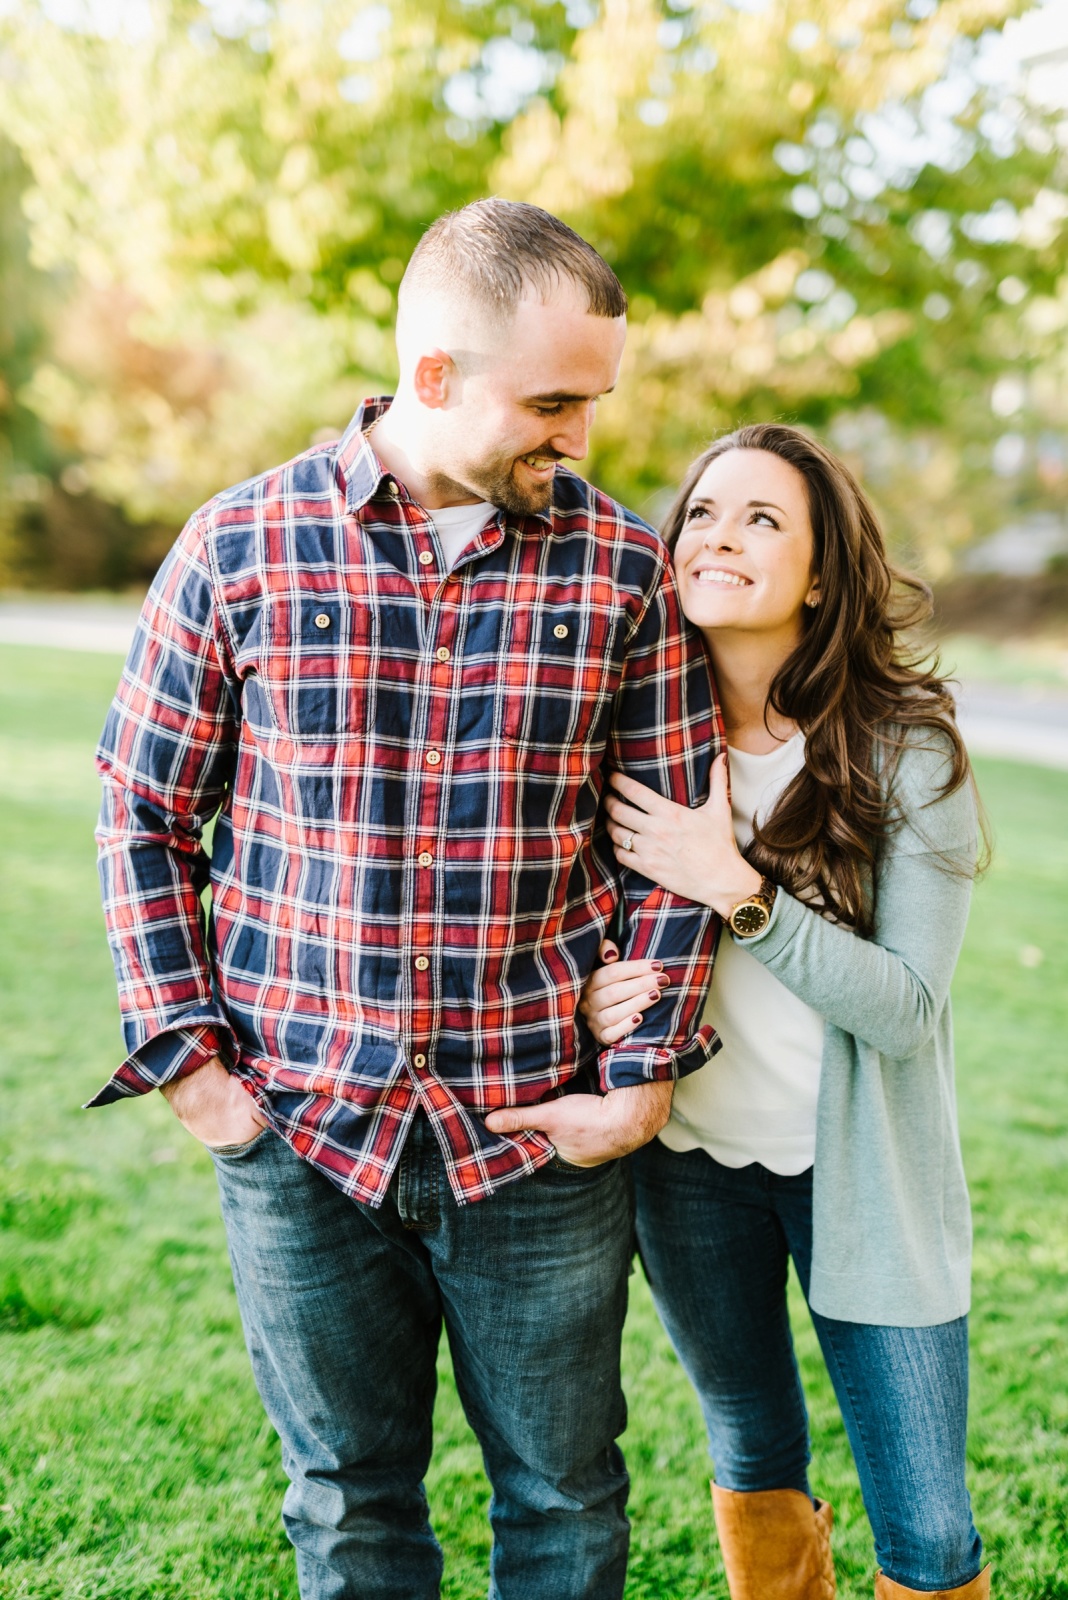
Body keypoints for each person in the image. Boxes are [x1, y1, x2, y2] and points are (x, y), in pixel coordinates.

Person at [90, 199, 723, 1600]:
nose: (581, 441)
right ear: (432, 375)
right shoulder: (240, 545)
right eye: (552, 403)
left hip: (537, 1138)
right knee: (348, 1505)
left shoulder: (622, 570)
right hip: (303, 1129)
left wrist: (640, 1077)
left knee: (566, 1504)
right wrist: (193, 1065)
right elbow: (141, 808)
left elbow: (679, 842)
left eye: (595, 405)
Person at [503, 425, 991, 1600]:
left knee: (926, 1528)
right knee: (753, 1457)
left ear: (820, 575)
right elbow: (549, 922)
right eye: (704, 513)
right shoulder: (624, 736)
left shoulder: (906, 753)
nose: (719, 537)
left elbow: (908, 1011)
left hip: (859, 1175)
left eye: (764, 519)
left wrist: (737, 888)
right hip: (688, 1166)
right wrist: (589, 992)